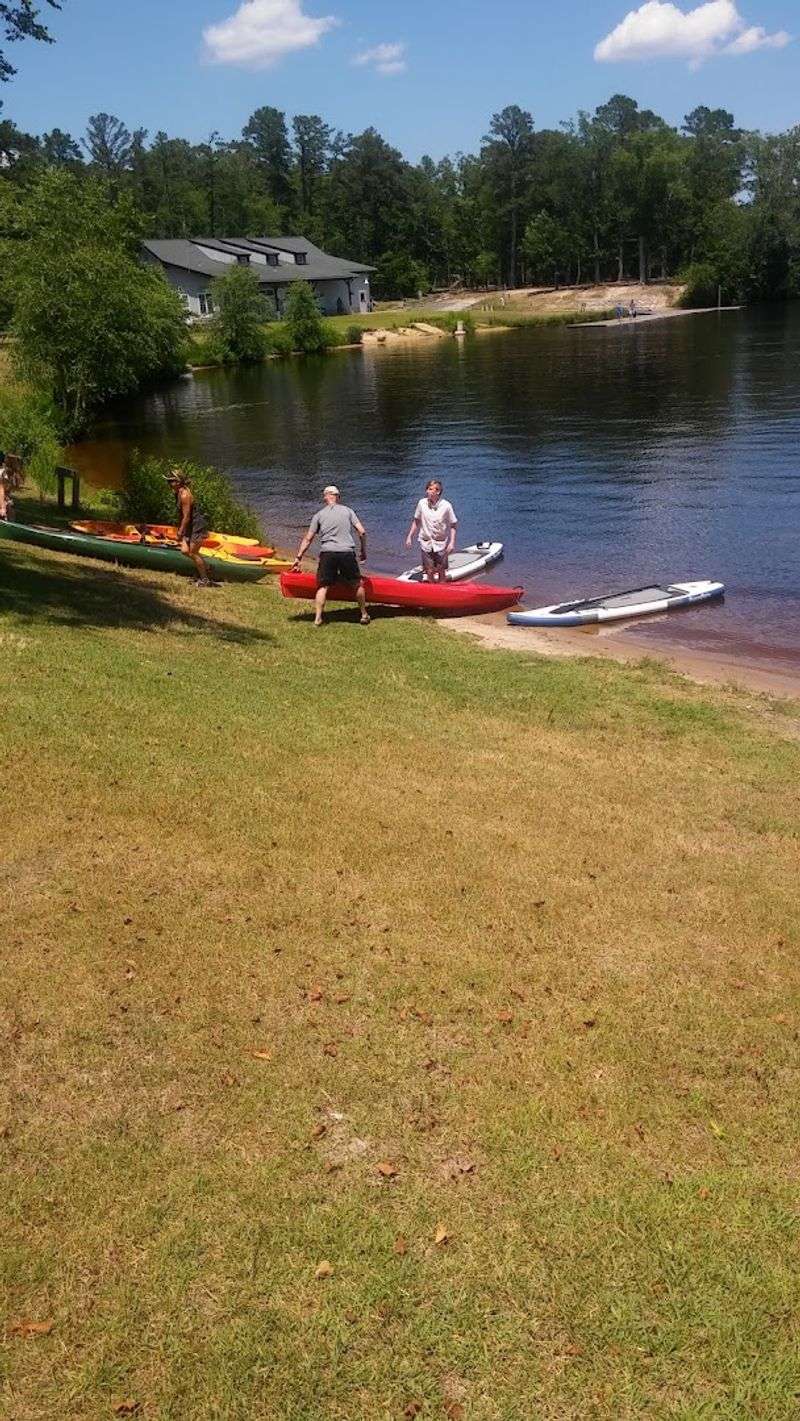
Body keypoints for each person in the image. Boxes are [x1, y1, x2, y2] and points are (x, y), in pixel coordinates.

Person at [293, 485, 370, 627]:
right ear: (338, 497)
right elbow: (362, 532)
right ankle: (364, 614)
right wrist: (363, 551)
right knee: (356, 584)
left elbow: (308, 539)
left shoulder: (319, 515)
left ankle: (317, 618)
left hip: (327, 553)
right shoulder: (348, 511)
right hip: (346, 552)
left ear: (326, 497)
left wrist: (298, 557)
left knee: (323, 586)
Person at [164, 468, 214, 585]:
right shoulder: (178, 493)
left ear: (178, 482)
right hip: (190, 525)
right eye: (168, 481)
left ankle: (205, 579)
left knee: (193, 553)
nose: (169, 484)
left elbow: (186, 517)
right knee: (185, 551)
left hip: (196, 525)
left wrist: (180, 532)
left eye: (171, 481)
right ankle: (207, 567)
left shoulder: (185, 495)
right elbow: (181, 515)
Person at [405, 479, 458, 583]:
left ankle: (442, 590)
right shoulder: (422, 503)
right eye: (427, 489)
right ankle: (432, 590)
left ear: (437, 492)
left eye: (430, 489)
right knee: (429, 570)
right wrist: (409, 536)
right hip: (426, 543)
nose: (427, 492)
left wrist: (452, 543)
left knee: (441, 570)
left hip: (440, 544)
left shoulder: (446, 506)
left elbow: (453, 524)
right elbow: (416, 521)